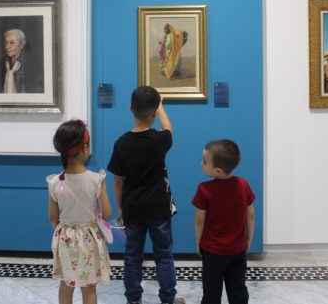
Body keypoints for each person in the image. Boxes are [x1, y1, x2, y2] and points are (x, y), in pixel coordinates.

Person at [107, 86, 185, 304]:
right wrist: (161, 108)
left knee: (132, 256)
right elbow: (168, 128)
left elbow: (118, 180)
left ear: (130, 108)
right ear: (154, 114)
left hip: (133, 208)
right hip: (159, 207)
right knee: (164, 255)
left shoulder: (121, 143)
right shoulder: (160, 140)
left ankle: (133, 298)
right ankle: (168, 298)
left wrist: (121, 207)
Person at [47, 119, 113, 304]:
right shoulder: (96, 179)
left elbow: (52, 217)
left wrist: (64, 230)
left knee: (65, 285)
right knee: (89, 287)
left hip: (65, 237)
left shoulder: (55, 182)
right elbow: (107, 213)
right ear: (85, 148)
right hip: (89, 238)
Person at [192, 139, 256, 304]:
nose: (201, 164)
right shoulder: (243, 185)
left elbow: (199, 219)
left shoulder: (204, 189)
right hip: (237, 250)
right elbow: (250, 215)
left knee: (211, 290)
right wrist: (249, 238)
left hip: (212, 251)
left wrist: (198, 241)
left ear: (218, 170)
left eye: (205, 161)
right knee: (238, 288)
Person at [0, 28, 44, 93]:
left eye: (12, 43)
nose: (7, 46)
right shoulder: (0, 64)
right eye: (6, 42)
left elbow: (37, 90)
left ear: (22, 45)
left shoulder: (33, 65)